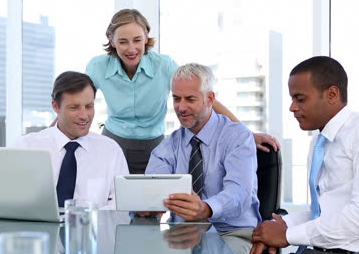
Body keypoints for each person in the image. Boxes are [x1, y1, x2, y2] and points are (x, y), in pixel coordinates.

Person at [86, 9, 280, 174]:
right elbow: (77, 103)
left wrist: (246, 134)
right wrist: (56, 134)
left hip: (153, 147)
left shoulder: (164, 65)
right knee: (110, 208)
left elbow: (203, 97)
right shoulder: (97, 66)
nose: (131, 48)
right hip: (113, 144)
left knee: (150, 208)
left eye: (137, 40)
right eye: (123, 42)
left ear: (146, 36)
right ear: (111, 40)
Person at [250, 56, 359, 254]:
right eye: (292, 99)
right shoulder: (320, 142)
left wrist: (288, 235)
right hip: (325, 252)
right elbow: (324, 212)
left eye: (300, 99)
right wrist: (280, 226)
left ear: (332, 94)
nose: (292, 107)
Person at [144, 63, 261, 254]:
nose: (181, 107)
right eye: (176, 99)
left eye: (190, 99)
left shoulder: (237, 137)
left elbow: (240, 193)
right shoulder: (168, 146)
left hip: (232, 233)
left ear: (209, 99)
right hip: (183, 235)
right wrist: (149, 205)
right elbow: (153, 188)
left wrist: (205, 208)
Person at [14, 71, 129, 209]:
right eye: (74, 107)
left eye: (89, 106)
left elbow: (121, 204)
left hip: (92, 229)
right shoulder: (26, 147)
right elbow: (11, 198)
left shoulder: (110, 150)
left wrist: (83, 220)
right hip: (36, 229)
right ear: (56, 107)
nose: (84, 116)